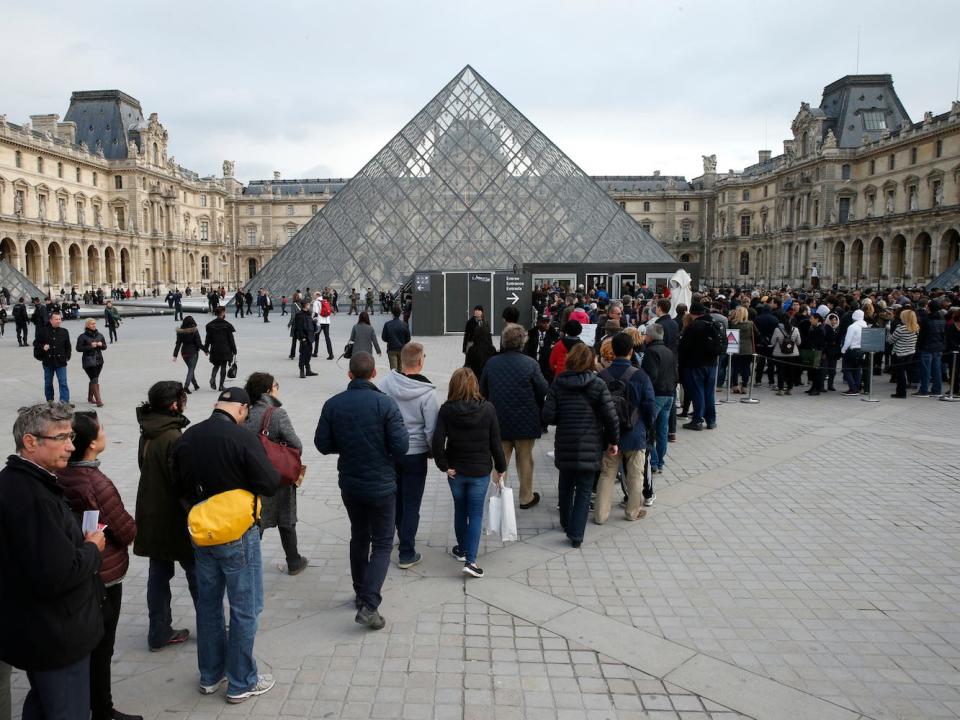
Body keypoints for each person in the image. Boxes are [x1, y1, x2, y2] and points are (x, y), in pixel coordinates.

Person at [174, 388, 280, 704]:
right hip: (237, 532)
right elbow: (269, 482)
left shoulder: (189, 436)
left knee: (208, 605)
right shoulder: (241, 437)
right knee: (246, 606)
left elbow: (177, 484)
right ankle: (241, 682)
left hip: (203, 531)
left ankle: (210, 675)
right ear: (242, 409)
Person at [0, 403, 106, 720]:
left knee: (43, 705)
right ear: (31, 442)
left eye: (71, 436)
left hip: (39, 631)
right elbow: (58, 573)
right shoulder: (32, 496)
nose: (71, 446)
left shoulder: (21, 481)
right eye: (61, 437)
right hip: (56, 636)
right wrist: (92, 548)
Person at [314, 352, 409, 630]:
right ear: (374, 374)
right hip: (382, 484)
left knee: (359, 536)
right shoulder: (385, 404)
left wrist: (346, 446)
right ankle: (369, 604)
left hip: (351, 483)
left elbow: (322, 443)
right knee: (381, 543)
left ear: (349, 374)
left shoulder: (333, 404)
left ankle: (360, 592)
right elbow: (401, 446)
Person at [58, 412, 141, 720]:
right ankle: (102, 710)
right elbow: (125, 530)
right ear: (92, 443)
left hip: (77, 569)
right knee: (102, 646)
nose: (106, 433)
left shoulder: (61, 473)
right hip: (103, 573)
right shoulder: (95, 481)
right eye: (102, 429)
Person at [134, 381, 197, 652]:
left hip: (151, 511)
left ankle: (158, 631)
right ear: (174, 405)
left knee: (158, 573)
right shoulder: (173, 437)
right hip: (176, 516)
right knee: (197, 572)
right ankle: (211, 625)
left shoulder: (148, 431)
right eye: (182, 398)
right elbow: (183, 482)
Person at [542, 344, 619, 548]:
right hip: (591, 441)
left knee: (566, 484)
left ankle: (566, 523)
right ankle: (576, 534)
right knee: (585, 489)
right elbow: (610, 417)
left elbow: (547, 415)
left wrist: (563, 417)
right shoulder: (598, 384)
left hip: (566, 440)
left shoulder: (559, 382)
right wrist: (613, 441)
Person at [432, 367, 506, 578]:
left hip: (456, 470)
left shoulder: (446, 410)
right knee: (475, 515)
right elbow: (495, 442)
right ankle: (471, 561)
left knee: (459, 510)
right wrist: (501, 467)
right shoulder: (488, 409)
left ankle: (462, 549)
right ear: (475, 385)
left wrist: (444, 465)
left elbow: (437, 442)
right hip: (480, 470)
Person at [379, 342, 438, 569]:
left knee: (395, 498)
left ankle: (400, 532)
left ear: (402, 360)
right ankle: (407, 551)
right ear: (421, 361)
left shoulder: (384, 384)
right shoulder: (427, 394)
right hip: (416, 454)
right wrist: (432, 451)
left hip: (391, 452)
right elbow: (431, 429)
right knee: (412, 502)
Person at [244, 373, 308, 575]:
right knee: (286, 519)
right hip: (278, 477)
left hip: (251, 476)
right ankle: (294, 561)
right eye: (276, 386)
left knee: (256, 520)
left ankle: (248, 565)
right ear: (268, 391)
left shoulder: (244, 412)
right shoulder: (276, 414)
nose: (277, 389)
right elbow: (296, 445)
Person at [480, 323, 549, 510]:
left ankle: (497, 496)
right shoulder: (530, 364)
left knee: (500, 461)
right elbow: (544, 389)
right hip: (526, 421)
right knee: (525, 459)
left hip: (499, 421)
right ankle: (526, 497)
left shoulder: (492, 363)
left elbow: (482, 391)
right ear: (522, 342)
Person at [595, 333, 656, 523]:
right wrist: (647, 427)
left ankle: (600, 515)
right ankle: (632, 512)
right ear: (631, 351)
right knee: (635, 475)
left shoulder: (602, 376)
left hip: (609, 435)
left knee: (606, 474)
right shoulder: (640, 376)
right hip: (635, 433)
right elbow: (649, 406)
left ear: (612, 350)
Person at [641, 323, 677, 476]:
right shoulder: (669, 351)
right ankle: (660, 462)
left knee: (647, 428)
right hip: (669, 393)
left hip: (657, 394)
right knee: (663, 430)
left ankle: (654, 462)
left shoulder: (651, 352)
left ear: (650, 336)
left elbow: (650, 376)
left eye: (645, 335)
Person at [677, 303, 719, 430]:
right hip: (712, 363)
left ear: (692, 313)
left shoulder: (693, 326)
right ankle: (711, 420)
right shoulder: (713, 323)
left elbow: (683, 348)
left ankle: (697, 420)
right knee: (709, 393)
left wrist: (681, 365)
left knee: (698, 392)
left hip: (695, 365)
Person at [35, 310, 71, 403]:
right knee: (48, 383)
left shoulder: (64, 331)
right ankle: (50, 400)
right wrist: (43, 347)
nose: (58, 321)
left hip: (61, 361)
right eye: (56, 319)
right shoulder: (43, 331)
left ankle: (64, 401)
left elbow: (68, 346)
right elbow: (36, 343)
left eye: (60, 319)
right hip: (48, 361)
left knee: (63, 382)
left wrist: (67, 356)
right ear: (51, 320)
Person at [203, 307, 237, 392]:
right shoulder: (227, 325)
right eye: (224, 312)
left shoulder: (210, 325)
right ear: (222, 313)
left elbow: (208, 339)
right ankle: (221, 386)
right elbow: (231, 339)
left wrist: (206, 349)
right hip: (225, 349)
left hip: (215, 348)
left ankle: (212, 378)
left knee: (216, 365)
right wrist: (234, 350)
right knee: (223, 366)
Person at [76, 318, 108, 407]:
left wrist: (101, 345)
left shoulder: (100, 335)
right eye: (91, 324)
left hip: (99, 361)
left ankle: (90, 398)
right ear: (87, 325)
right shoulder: (82, 336)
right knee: (94, 379)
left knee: (94, 379)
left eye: (94, 324)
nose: (94, 325)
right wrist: (90, 346)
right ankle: (99, 401)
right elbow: (78, 348)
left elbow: (105, 347)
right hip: (88, 361)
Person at [916, 301, 945, 398]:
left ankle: (924, 390)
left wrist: (919, 346)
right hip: (938, 346)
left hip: (927, 347)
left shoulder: (926, 320)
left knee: (925, 369)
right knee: (937, 369)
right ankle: (937, 390)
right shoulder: (942, 319)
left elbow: (922, 335)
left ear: (930, 308)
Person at [890, 309, 919, 398]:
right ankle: (901, 392)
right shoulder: (916, 327)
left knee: (900, 374)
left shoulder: (900, 329)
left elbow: (890, 340)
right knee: (904, 373)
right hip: (910, 353)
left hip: (899, 354)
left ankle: (901, 393)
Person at [173, 316, 206, 394]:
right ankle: (186, 386)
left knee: (190, 369)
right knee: (191, 369)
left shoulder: (180, 331)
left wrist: (175, 355)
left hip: (184, 352)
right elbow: (198, 343)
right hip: (193, 352)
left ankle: (195, 385)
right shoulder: (194, 330)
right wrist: (205, 350)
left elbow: (178, 344)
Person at [770, 314, 801, 395]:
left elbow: (772, 342)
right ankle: (789, 389)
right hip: (792, 354)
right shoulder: (795, 329)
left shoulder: (777, 330)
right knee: (790, 371)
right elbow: (799, 342)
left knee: (780, 372)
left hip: (780, 354)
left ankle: (780, 389)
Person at [523, 314, 560, 382]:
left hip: (547, 367)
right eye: (543, 323)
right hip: (533, 364)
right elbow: (526, 350)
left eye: (548, 322)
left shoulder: (554, 335)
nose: (546, 324)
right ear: (538, 323)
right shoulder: (531, 334)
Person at [727, 306, 755, 393]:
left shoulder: (732, 323)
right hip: (747, 349)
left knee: (735, 367)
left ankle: (735, 386)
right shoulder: (750, 324)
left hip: (735, 348)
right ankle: (744, 386)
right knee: (746, 368)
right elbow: (756, 334)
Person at [841, 309, 867, 396]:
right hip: (862, 350)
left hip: (852, 350)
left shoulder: (852, 327)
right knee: (857, 370)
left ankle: (853, 388)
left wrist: (843, 350)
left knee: (846, 369)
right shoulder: (865, 326)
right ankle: (856, 387)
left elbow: (848, 341)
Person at [293, 300, 319, 378]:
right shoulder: (299, 315)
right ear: (305, 305)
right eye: (308, 305)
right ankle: (302, 371)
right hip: (304, 337)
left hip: (310, 337)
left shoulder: (309, 314)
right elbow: (299, 328)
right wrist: (302, 338)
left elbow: (311, 326)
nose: (309, 306)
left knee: (308, 354)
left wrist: (314, 322)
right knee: (303, 354)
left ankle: (308, 370)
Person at [382, 306, 411, 371]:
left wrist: (390, 340)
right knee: (401, 369)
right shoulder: (405, 324)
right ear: (400, 313)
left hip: (391, 349)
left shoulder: (387, 324)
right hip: (402, 349)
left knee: (393, 370)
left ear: (392, 313)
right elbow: (408, 339)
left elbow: (384, 338)